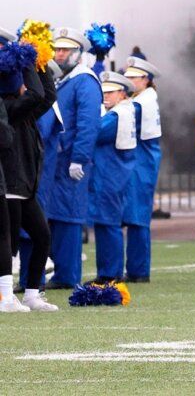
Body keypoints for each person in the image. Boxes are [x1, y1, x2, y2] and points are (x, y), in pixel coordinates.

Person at [0, 29, 57, 310]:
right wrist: (24, 61)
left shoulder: (22, 109)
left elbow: (46, 97)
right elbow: (35, 95)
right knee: (7, 246)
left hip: (24, 186)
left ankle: (32, 292)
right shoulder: (9, 106)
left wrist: (40, 61)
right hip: (9, 185)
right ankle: (6, 296)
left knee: (42, 236)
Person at [45, 27, 102, 289]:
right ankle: (61, 271)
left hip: (70, 160)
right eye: (57, 49)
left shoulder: (85, 80)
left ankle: (67, 275)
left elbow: (88, 124)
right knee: (56, 213)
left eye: (65, 50)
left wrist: (79, 157)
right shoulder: (64, 80)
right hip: (56, 159)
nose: (59, 54)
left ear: (78, 54)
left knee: (68, 215)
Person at [88, 72, 138, 282]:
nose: (105, 96)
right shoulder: (123, 111)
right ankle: (108, 272)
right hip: (113, 175)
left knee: (108, 224)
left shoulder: (117, 115)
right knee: (106, 224)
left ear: (122, 93)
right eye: (104, 92)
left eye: (110, 92)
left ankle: (109, 273)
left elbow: (94, 132)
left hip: (110, 176)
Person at [120, 56, 162, 282]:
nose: (128, 82)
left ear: (145, 79)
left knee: (137, 217)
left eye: (133, 78)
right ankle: (137, 269)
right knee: (137, 215)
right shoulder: (146, 97)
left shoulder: (139, 103)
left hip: (141, 160)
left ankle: (137, 270)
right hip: (143, 159)